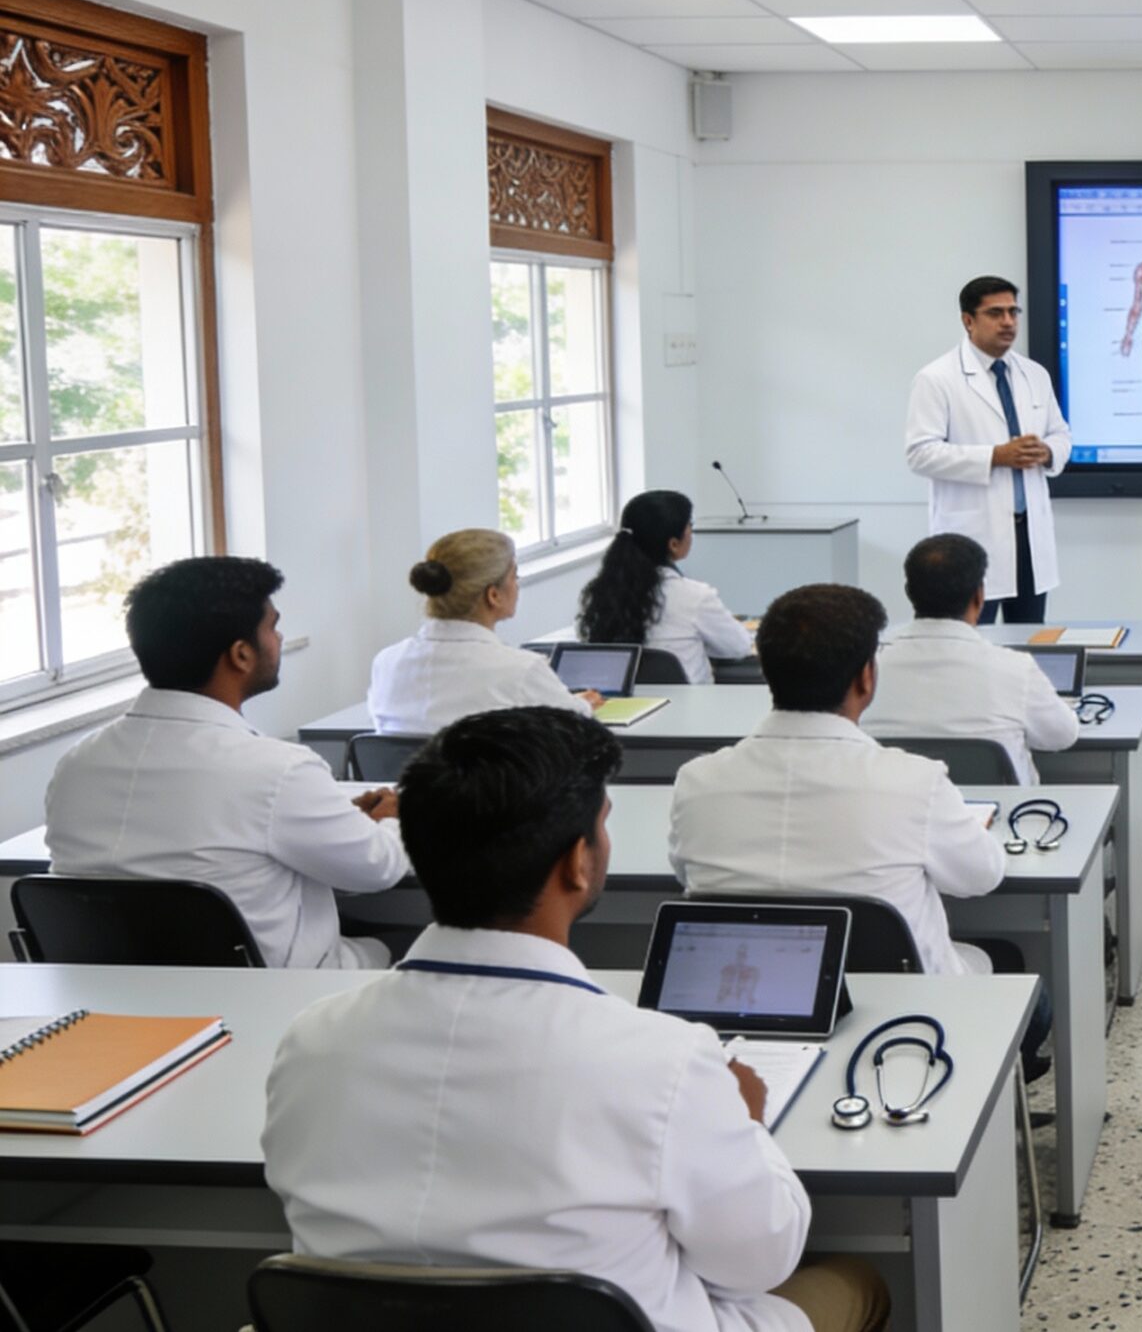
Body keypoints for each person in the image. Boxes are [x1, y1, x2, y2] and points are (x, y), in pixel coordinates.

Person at [263, 707, 889, 1332]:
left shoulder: (311, 1042)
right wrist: (746, 1125)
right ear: (578, 863)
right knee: (854, 1284)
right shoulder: (665, 1063)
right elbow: (761, 1261)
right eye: (603, 827)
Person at [44, 557, 407, 969]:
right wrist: (392, 816)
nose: (280, 637)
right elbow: (377, 869)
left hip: (123, 1010)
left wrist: (334, 819)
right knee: (412, 943)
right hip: (284, 998)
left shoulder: (75, 766)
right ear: (240, 654)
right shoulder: (278, 771)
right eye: (272, 626)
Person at [668, 583, 1007, 978]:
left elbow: (683, 873)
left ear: (766, 671)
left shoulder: (696, 782)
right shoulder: (916, 783)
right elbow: (982, 875)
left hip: (748, 996)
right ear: (866, 677)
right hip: (904, 1011)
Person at [903, 276, 1071, 625]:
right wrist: (995, 456)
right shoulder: (937, 378)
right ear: (968, 320)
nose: (1008, 322)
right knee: (969, 642)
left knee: (1027, 643)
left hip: (1029, 535)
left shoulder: (1034, 374)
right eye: (996, 313)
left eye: (1013, 312)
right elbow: (920, 453)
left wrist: (1047, 451)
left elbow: (1061, 434)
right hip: (971, 535)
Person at [862, 534, 1081, 785]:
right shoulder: (1015, 669)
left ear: (909, 593)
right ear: (979, 597)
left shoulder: (868, 670)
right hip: (998, 820)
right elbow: (1062, 736)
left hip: (898, 816)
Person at [368, 528, 601, 734]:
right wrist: (583, 704)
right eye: (514, 576)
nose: (517, 585)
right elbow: (575, 724)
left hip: (410, 784)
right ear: (493, 595)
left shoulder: (386, 663)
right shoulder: (522, 670)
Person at [577, 489, 753, 684]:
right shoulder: (695, 597)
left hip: (624, 709)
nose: (692, 533)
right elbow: (739, 646)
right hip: (691, 709)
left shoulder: (600, 593)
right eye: (690, 526)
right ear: (674, 544)